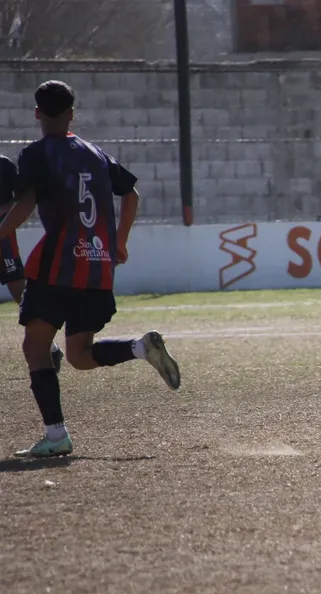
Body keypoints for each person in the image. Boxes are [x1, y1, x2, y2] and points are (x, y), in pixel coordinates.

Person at [0, 80, 181, 458]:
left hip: (57, 266)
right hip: (97, 266)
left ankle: (56, 435)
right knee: (80, 355)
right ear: (72, 112)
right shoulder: (96, 153)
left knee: (36, 346)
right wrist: (119, 241)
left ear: (36, 113)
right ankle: (139, 348)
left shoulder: (35, 154)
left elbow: (26, 203)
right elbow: (131, 194)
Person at [0, 153, 63, 371]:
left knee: (20, 292)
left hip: (3, 237)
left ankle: (50, 347)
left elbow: (20, 199)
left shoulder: (4, 165)